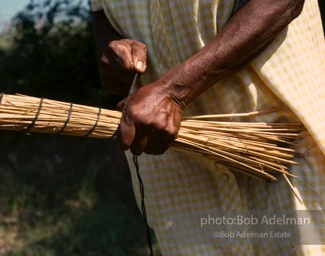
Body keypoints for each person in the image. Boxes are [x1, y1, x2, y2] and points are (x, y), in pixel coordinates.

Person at [91, 0, 325, 255]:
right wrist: (116, 57)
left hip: (281, 151)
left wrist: (174, 91)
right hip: (179, 172)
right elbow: (102, 20)